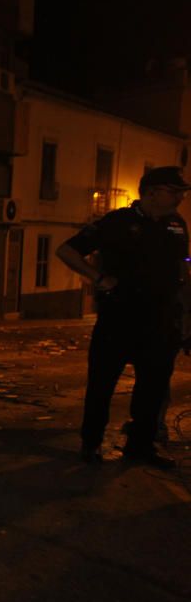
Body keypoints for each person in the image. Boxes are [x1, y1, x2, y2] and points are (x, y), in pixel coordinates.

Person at [55, 166, 190, 469]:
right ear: (151, 192)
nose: (180, 197)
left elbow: (183, 270)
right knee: (102, 386)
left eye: (182, 192)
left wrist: (185, 318)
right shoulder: (117, 222)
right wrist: (97, 277)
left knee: (152, 389)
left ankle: (140, 446)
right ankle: (91, 444)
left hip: (159, 321)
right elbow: (66, 251)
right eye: (174, 191)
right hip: (119, 318)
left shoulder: (177, 225)